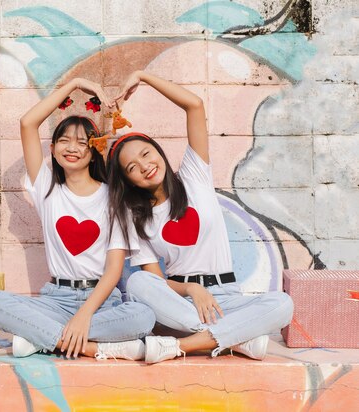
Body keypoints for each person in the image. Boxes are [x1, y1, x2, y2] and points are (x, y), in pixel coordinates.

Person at [107, 70, 294, 363]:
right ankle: (235, 339)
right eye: (131, 167)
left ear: (158, 152)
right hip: (181, 303)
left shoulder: (194, 177)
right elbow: (155, 282)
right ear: (128, 181)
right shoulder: (136, 218)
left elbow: (194, 105)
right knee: (137, 283)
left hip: (227, 297)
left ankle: (188, 345)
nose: (144, 166)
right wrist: (191, 289)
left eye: (146, 154)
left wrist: (143, 76)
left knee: (282, 304)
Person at [0, 77, 155, 360]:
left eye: (82, 143)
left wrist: (84, 316)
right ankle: (92, 348)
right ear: (52, 149)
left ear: (94, 150)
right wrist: (74, 83)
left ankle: (43, 338)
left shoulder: (113, 198)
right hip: (56, 300)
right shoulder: (46, 189)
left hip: (101, 302)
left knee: (143, 316)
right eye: (64, 141)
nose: (72, 148)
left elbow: (113, 272)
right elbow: (28, 123)